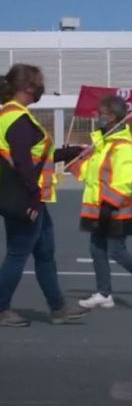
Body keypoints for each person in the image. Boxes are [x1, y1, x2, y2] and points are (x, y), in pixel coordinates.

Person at [0, 64, 90, 327]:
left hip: (29, 198)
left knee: (45, 253)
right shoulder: (19, 120)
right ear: (27, 87)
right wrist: (32, 200)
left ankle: (58, 308)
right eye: (39, 83)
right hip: (26, 200)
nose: (42, 87)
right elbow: (23, 164)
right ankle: (2, 308)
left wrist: (72, 151)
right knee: (18, 254)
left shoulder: (10, 115)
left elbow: (41, 156)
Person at [72, 96, 132, 309]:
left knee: (116, 251)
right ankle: (104, 293)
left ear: (112, 116)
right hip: (97, 209)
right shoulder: (104, 143)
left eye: (101, 113)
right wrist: (77, 162)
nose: (97, 116)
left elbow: (124, 181)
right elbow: (93, 175)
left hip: (113, 210)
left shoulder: (121, 146)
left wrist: (109, 205)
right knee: (96, 250)